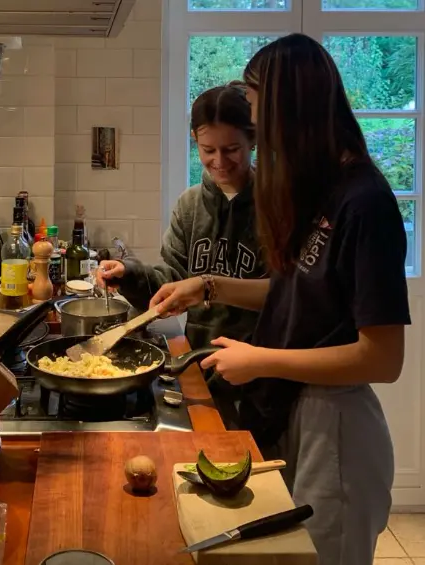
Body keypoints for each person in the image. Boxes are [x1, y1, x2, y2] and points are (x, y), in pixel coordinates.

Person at [150, 33, 410, 565]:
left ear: (287, 107)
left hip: (336, 424)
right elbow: (295, 293)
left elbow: (383, 357)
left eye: (253, 106)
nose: (252, 125)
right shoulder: (325, 192)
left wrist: (261, 359)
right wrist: (207, 285)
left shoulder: (365, 202)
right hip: (300, 409)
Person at [96, 82, 267, 427]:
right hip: (203, 371)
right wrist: (127, 274)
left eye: (232, 148)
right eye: (208, 150)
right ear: (194, 140)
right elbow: (171, 281)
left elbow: (287, 297)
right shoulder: (191, 206)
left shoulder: (275, 206)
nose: (219, 162)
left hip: (263, 382)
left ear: (253, 139)